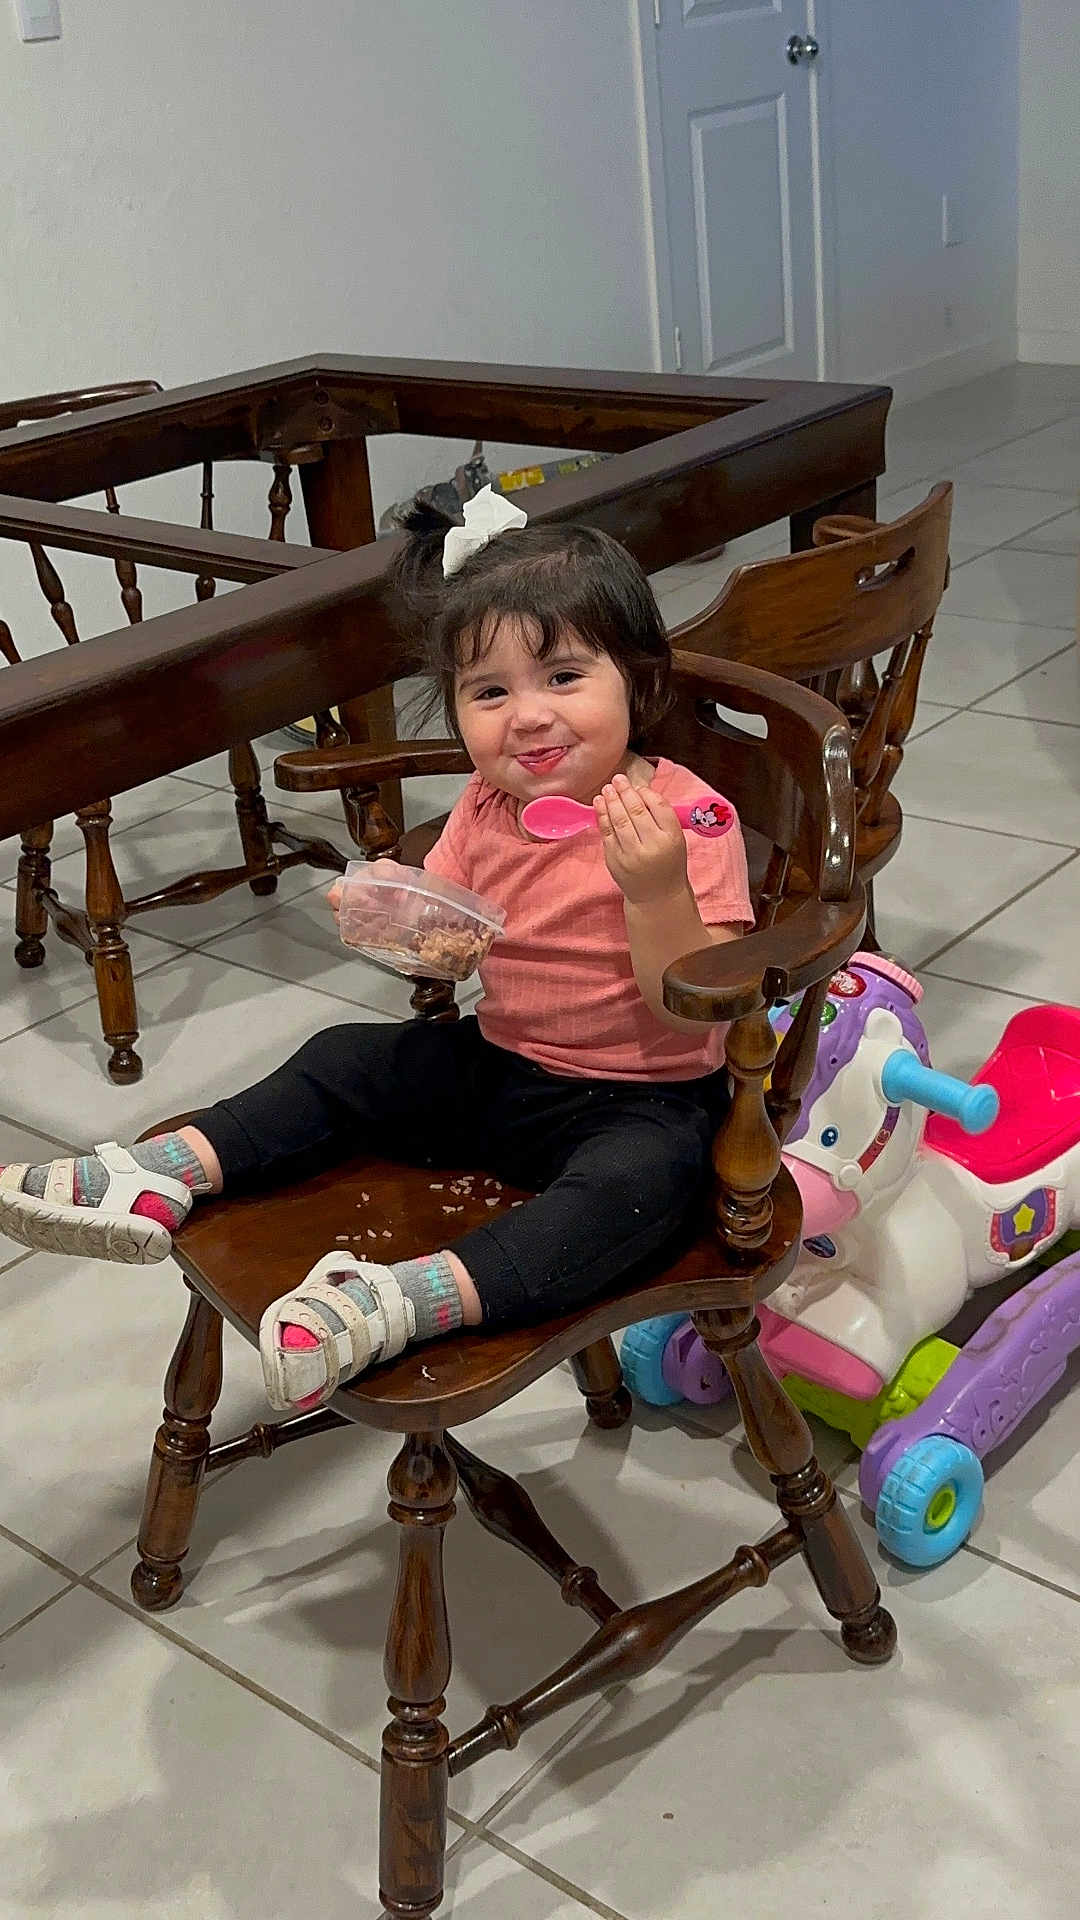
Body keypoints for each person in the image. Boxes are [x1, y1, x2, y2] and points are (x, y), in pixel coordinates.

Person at [0, 487, 752, 1413]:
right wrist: (401, 920)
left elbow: (696, 1004)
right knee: (345, 1058)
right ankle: (160, 1172)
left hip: (645, 1102)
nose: (526, 716)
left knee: (632, 1195)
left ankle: (402, 1299)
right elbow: (446, 946)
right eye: (489, 692)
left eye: (562, 677)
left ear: (636, 681)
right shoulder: (487, 807)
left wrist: (656, 889)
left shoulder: (688, 818)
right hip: (506, 1065)